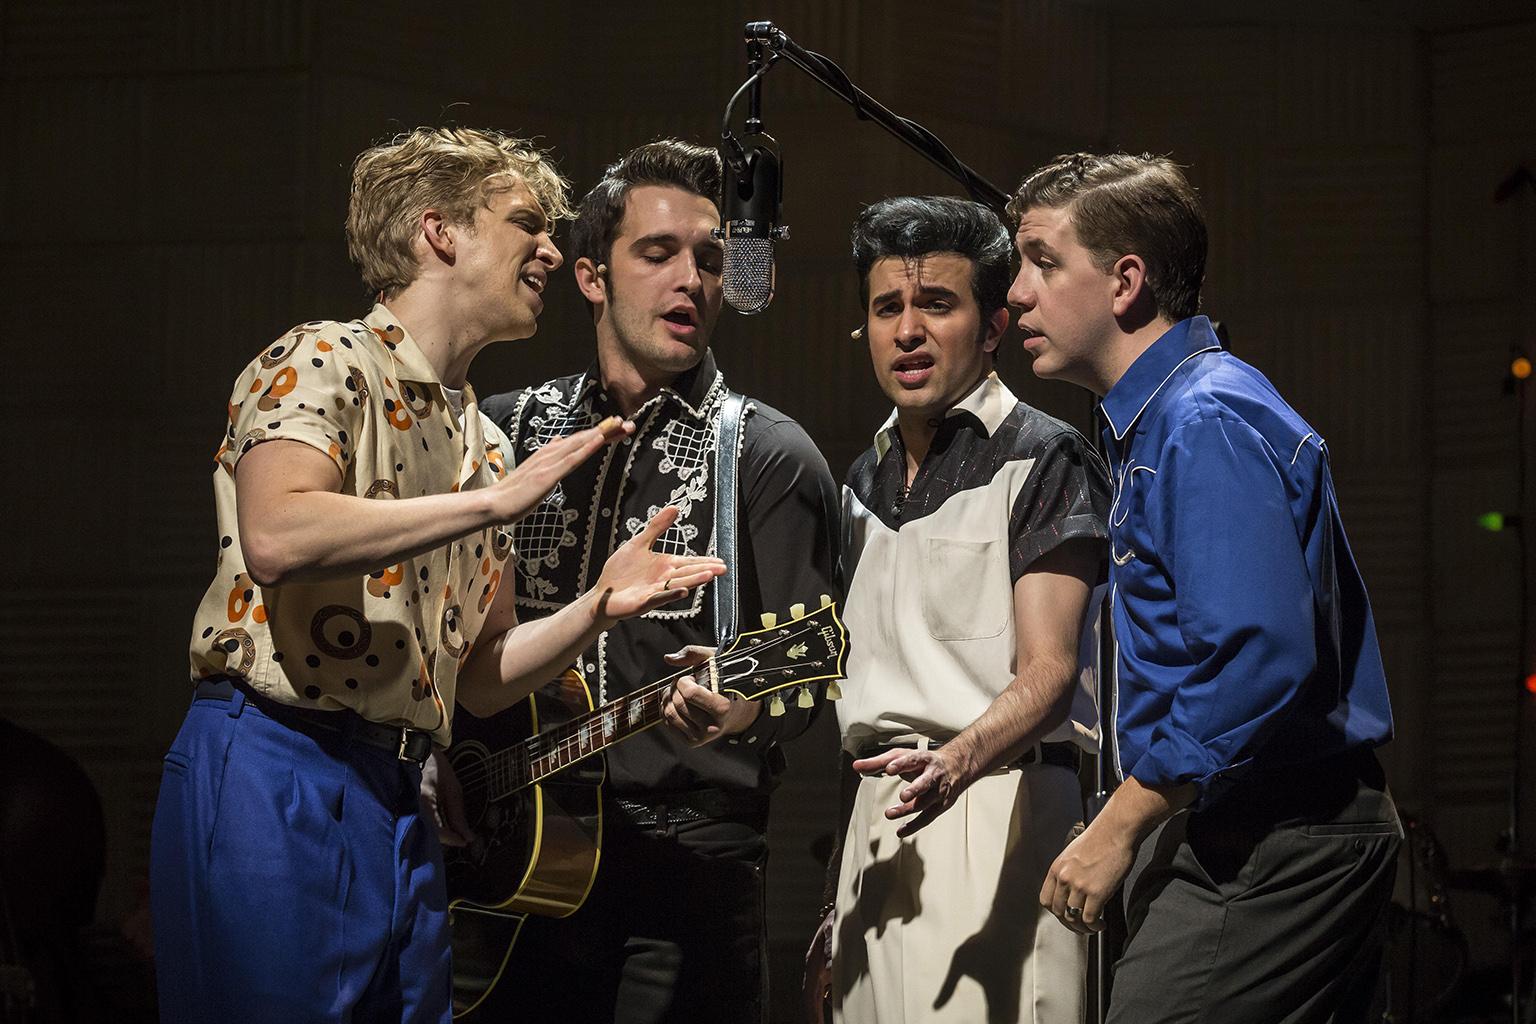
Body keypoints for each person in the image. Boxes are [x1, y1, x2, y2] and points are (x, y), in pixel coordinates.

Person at [150, 126, 724, 1024]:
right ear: (438, 233)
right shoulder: (323, 358)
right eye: (528, 224)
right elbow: (277, 531)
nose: (552, 249)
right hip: (277, 759)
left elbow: (485, 678)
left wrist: (596, 607)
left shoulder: (483, 443)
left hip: (399, 790)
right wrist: (491, 508)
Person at [1011, 152, 1400, 1022]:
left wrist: (1121, 821)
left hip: (1273, 834)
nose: (1016, 294)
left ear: (1126, 281)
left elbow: (1261, 656)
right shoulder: (1166, 421)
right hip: (1254, 825)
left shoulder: (1201, 419)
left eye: (1041, 260)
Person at [470, 139, 841, 1024]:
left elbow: (806, 678)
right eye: (658, 253)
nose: (693, 281)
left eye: (711, 260)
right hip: (507, 849)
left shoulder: (768, 452)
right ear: (592, 277)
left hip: (687, 863)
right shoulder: (505, 432)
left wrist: (744, 707)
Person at [804, 195, 1110, 1024]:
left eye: (937, 304)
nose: (908, 331)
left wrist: (955, 760)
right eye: (886, 308)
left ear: (993, 327)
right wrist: (836, 894)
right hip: (879, 831)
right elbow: (859, 706)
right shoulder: (856, 485)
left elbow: (1048, 673)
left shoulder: (1042, 457)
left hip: (996, 808)